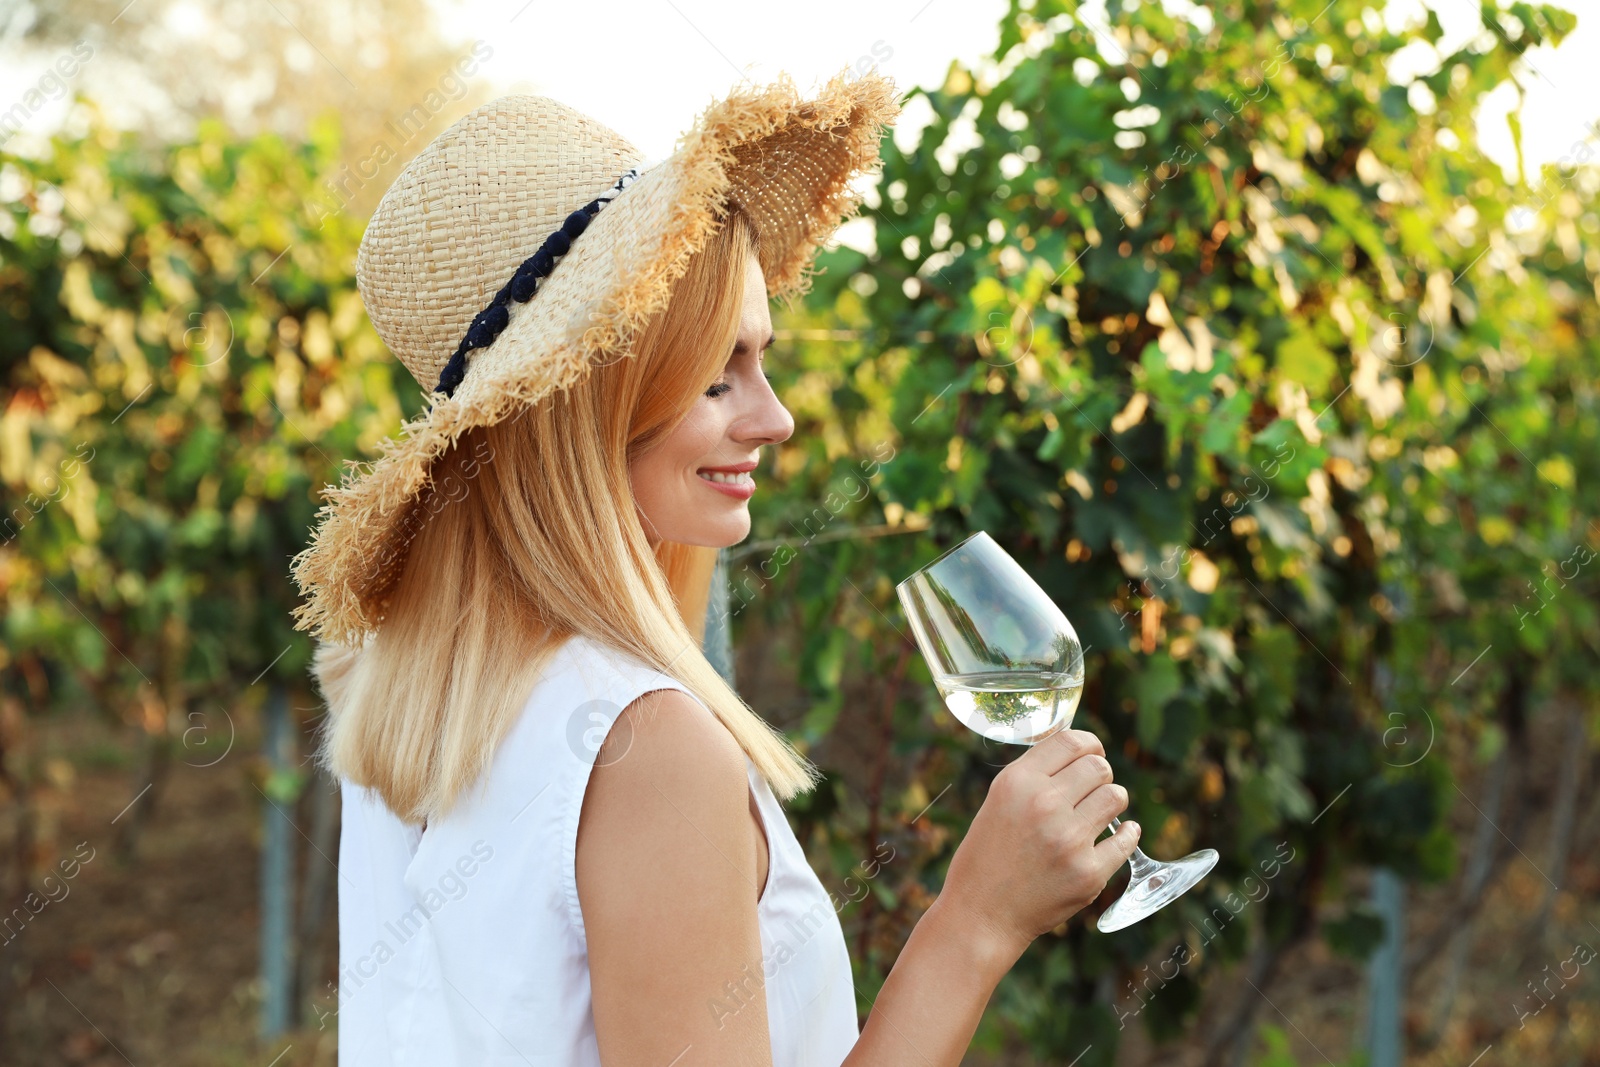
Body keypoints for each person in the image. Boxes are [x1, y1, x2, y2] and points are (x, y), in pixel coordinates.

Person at [291, 71, 1140, 1067]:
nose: (774, 417)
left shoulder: (411, 696)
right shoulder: (644, 747)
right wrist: (979, 919)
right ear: (590, 405)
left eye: (764, 360)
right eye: (715, 375)